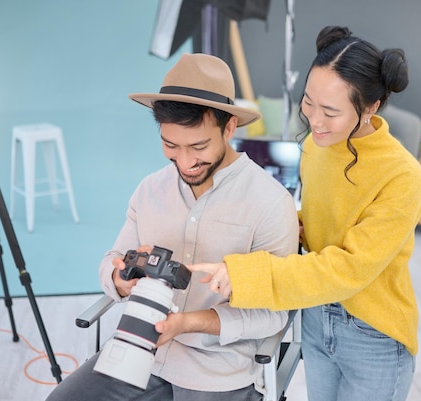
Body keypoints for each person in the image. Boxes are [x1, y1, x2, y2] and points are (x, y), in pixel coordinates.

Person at [190, 26, 421, 401]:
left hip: (374, 336)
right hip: (316, 317)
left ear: (370, 108)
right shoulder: (318, 148)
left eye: (330, 111)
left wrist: (247, 275)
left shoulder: (401, 175)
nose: (314, 120)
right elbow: (321, 224)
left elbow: (347, 268)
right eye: (308, 102)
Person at [45, 53, 299, 401]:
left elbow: (273, 315)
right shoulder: (151, 189)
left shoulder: (270, 203)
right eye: (170, 145)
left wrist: (190, 322)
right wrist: (121, 277)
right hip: (137, 353)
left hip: (217, 371)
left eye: (198, 146)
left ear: (228, 128)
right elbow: (112, 261)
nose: (185, 161)